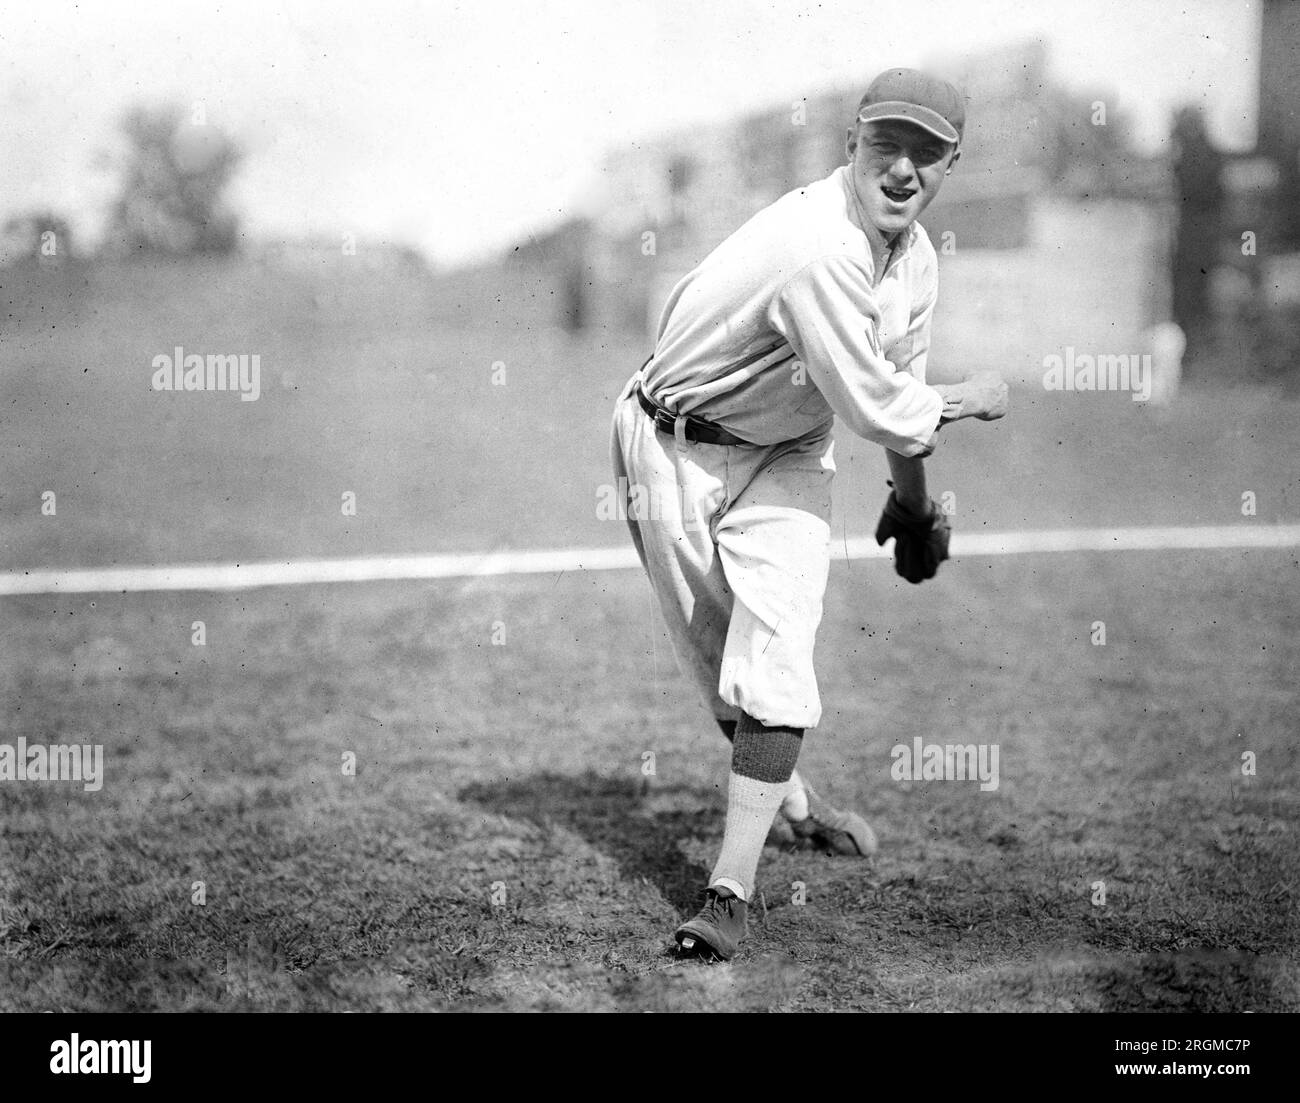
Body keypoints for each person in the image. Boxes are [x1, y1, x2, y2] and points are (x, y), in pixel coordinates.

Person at [609, 68, 1008, 961]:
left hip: (786, 451)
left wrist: (912, 509)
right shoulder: (818, 245)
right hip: (670, 445)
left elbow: (891, 392)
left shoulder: (917, 260)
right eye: (886, 146)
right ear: (851, 147)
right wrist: (972, 396)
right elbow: (882, 407)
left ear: (952, 164)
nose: (903, 171)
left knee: (778, 654)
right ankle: (789, 802)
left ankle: (728, 893)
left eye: (928, 153)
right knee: (723, 664)